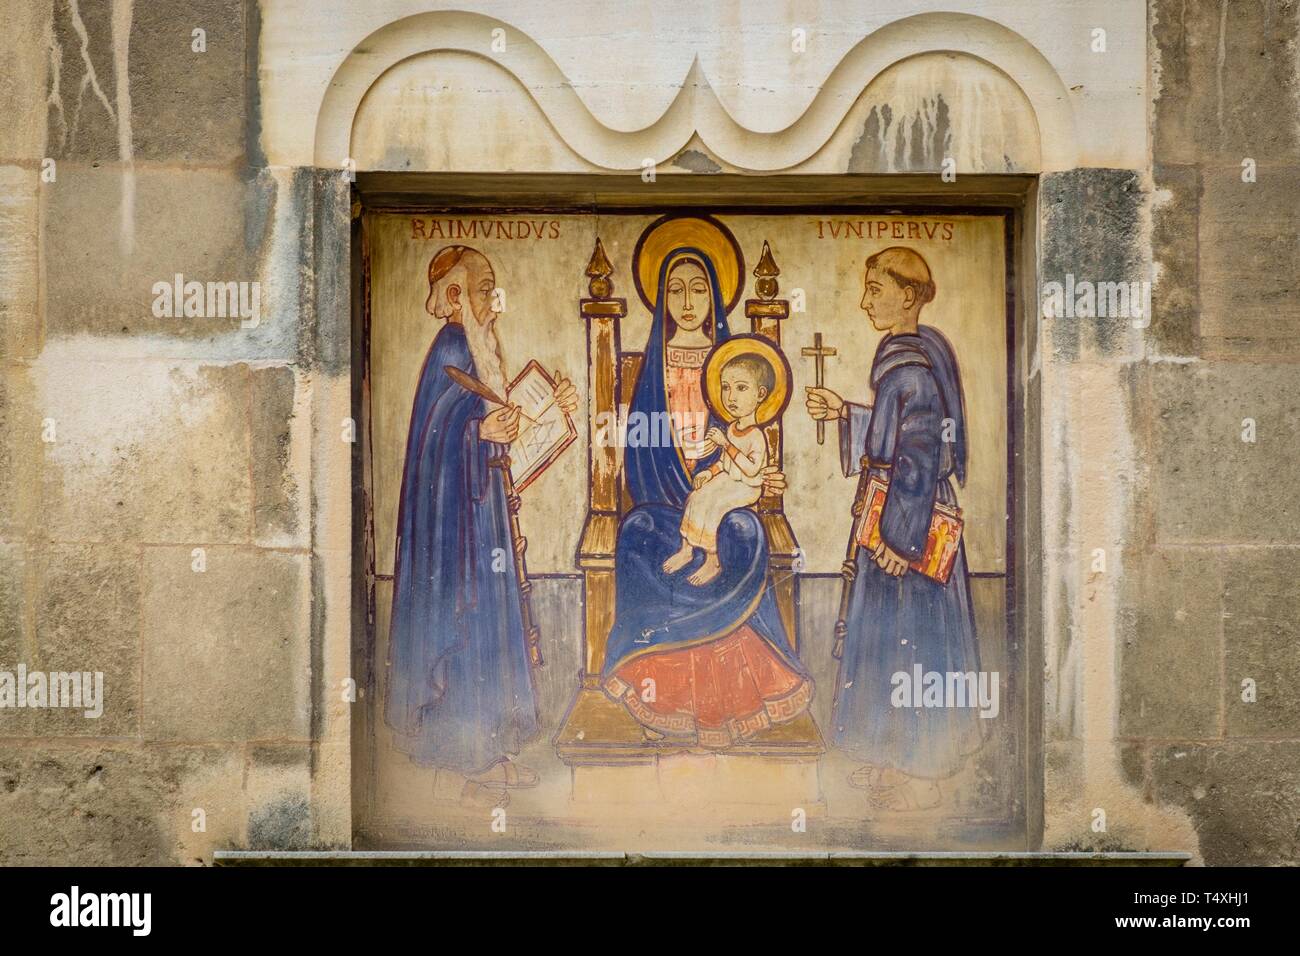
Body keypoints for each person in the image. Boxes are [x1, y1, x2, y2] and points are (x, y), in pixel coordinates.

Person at [385, 244, 578, 808]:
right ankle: (465, 753)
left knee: (489, 621)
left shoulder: (478, 346)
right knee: (468, 625)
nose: (494, 299)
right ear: (455, 296)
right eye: (483, 287)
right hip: (456, 523)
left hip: (482, 509)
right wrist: (480, 434)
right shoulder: (450, 346)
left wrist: (549, 410)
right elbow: (436, 438)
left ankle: (490, 753)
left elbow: (495, 419)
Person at [602, 249, 812, 748]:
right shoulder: (654, 365)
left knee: (743, 532)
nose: (688, 301)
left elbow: (754, 444)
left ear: (716, 295)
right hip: (667, 496)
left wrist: (762, 485)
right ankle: (653, 690)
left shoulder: (733, 364)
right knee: (636, 531)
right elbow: (639, 449)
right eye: (675, 289)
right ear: (659, 299)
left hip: (726, 498)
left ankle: (732, 700)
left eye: (699, 289)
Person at [806, 246, 985, 812]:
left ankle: (919, 768)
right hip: (898, 513)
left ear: (907, 296)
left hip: (909, 525)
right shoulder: (912, 359)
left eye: (875, 290)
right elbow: (892, 437)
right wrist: (846, 414)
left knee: (910, 645)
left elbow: (918, 457)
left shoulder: (911, 367)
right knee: (893, 645)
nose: (865, 301)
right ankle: (892, 758)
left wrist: (896, 543)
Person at [663, 353, 773, 586]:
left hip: (746, 486)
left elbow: (751, 470)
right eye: (726, 387)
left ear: (760, 394)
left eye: (741, 388)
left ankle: (713, 559)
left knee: (715, 505)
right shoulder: (732, 427)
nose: (731, 396)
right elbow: (723, 463)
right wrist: (708, 473)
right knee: (697, 496)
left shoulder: (756, 436)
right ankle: (687, 549)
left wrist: (726, 443)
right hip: (727, 479)